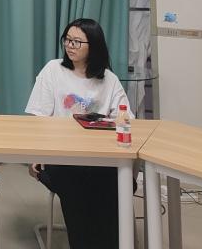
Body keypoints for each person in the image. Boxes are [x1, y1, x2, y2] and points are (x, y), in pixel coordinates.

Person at [25, 17, 130, 249]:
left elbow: (125, 118)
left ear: (94, 46)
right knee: (76, 186)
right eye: (67, 40)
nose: (70, 46)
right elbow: (37, 119)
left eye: (77, 42)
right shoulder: (53, 70)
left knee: (113, 184)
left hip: (100, 158)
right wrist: (37, 154)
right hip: (61, 157)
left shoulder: (109, 80)